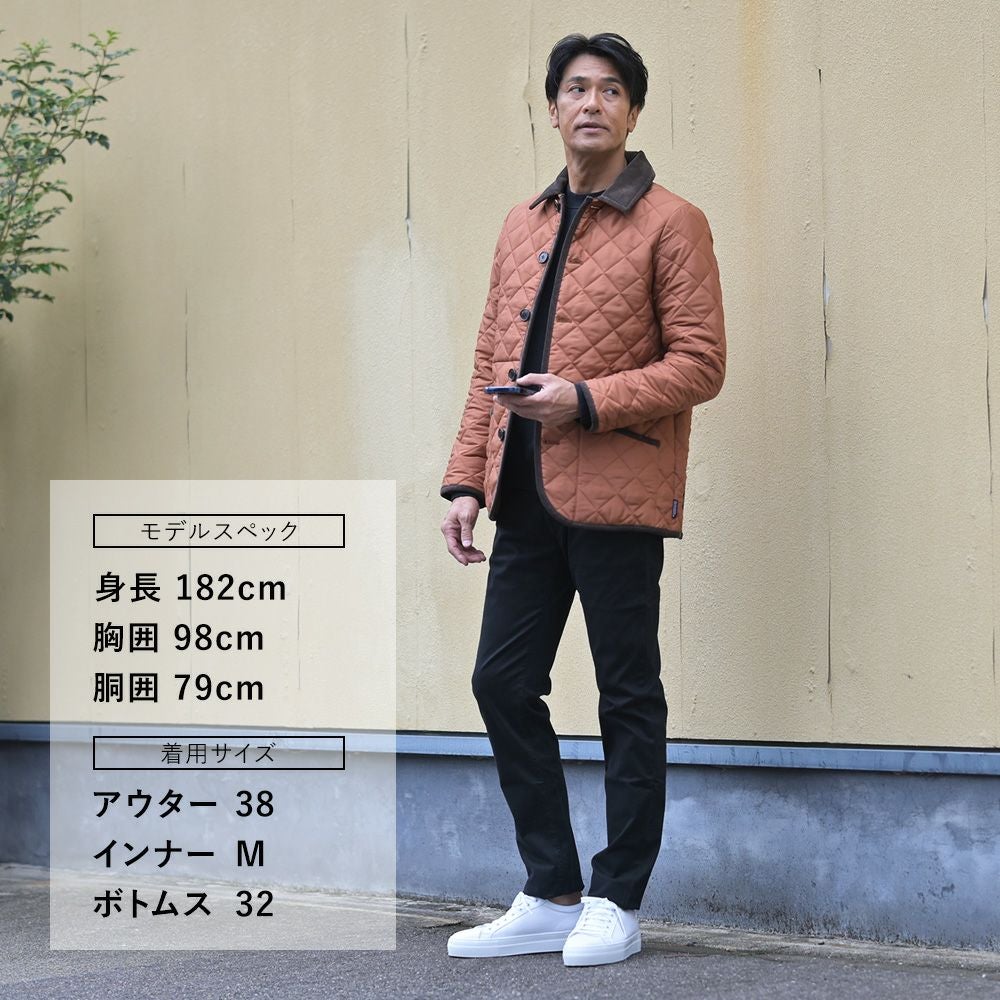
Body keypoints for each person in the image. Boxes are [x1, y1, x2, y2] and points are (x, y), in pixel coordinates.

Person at [439, 31, 726, 967]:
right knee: (500, 682)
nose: (590, 103)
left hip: (618, 495)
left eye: (609, 90)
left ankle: (619, 898)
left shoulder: (673, 222)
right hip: (522, 495)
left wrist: (586, 399)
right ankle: (553, 890)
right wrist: (467, 480)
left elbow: (701, 363)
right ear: (553, 106)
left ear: (633, 111)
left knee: (626, 696)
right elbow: (488, 361)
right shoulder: (521, 223)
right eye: (574, 88)